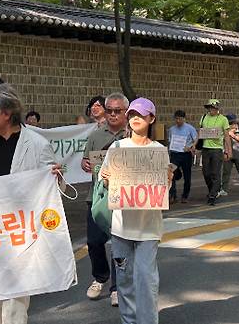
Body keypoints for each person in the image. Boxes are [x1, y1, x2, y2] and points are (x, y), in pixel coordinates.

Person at [0, 83, 62, 324]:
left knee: (14, 303)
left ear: (6, 113)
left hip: (20, 233)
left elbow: (53, 189)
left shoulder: (37, 144)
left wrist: (56, 179)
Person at [99, 97, 173, 324]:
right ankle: (129, 321)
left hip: (148, 230)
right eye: (131, 114)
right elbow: (105, 182)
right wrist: (105, 178)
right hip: (121, 228)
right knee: (125, 280)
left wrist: (167, 180)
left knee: (146, 280)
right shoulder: (117, 147)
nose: (135, 119)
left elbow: (161, 191)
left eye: (140, 115)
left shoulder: (159, 150)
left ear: (152, 118)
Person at [81, 92, 129, 307]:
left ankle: (117, 286)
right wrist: (86, 165)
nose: (112, 114)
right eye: (109, 110)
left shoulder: (132, 137)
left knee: (119, 243)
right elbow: (85, 161)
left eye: (117, 111)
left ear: (126, 112)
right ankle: (100, 277)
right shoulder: (95, 135)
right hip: (97, 196)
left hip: (124, 199)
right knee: (93, 241)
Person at [196, 99, 231, 206]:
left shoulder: (223, 119)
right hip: (205, 149)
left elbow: (226, 136)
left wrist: (228, 150)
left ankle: (212, 195)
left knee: (215, 173)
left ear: (217, 109)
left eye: (213, 108)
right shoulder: (204, 117)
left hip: (217, 149)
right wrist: (194, 145)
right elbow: (200, 133)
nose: (211, 109)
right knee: (206, 173)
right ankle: (214, 190)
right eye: (209, 107)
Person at [167, 110, 197, 203]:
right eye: (176, 119)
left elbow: (195, 138)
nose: (178, 121)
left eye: (180, 119)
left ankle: (185, 195)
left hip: (186, 154)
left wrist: (192, 146)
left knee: (187, 175)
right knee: (171, 174)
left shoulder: (189, 128)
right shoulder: (172, 129)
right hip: (175, 154)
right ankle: (172, 195)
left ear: (184, 119)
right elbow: (170, 140)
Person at [219, 114, 239, 196]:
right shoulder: (225, 128)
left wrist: (233, 135)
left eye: (233, 122)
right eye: (230, 123)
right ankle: (224, 189)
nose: (232, 124)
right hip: (228, 152)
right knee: (226, 171)